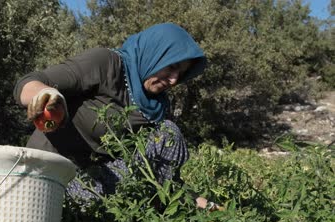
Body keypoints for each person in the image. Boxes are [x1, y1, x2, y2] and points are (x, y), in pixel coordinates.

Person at [14, 23, 219, 211]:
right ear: (156, 53)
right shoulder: (107, 64)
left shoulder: (158, 108)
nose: (174, 80)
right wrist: (44, 95)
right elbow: (31, 82)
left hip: (95, 186)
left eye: (181, 74)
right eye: (172, 66)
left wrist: (209, 207)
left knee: (168, 133)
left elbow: (166, 177)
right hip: (46, 175)